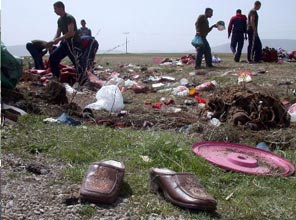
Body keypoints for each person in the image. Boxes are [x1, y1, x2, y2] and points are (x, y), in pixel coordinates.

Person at [48, 1, 84, 80]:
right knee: (53, 57)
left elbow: (71, 33)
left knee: (78, 64)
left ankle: (83, 81)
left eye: (55, 9)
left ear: (61, 8)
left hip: (74, 43)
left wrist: (58, 39)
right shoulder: (59, 20)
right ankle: (56, 77)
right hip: (65, 43)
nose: (54, 11)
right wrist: (52, 42)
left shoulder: (69, 18)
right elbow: (58, 34)